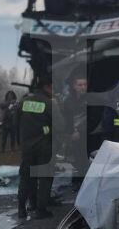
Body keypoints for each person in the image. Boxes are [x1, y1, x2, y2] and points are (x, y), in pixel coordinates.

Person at [17, 75, 63, 219]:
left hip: (27, 146)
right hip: (44, 146)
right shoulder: (49, 103)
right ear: (47, 87)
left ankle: (21, 209)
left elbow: (15, 122)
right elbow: (60, 125)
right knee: (45, 177)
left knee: (26, 176)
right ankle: (41, 209)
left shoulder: (23, 102)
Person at [62, 72, 89, 191]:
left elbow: (92, 118)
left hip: (87, 135)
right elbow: (65, 119)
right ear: (74, 86)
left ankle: (84, 183)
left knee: (85, 159)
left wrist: (80, 131)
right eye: (80, 85)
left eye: (84, 84)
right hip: (73, 136)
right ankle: (77, 181)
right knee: (76, 159)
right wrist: (68, 134)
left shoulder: (90, 99)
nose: (82, 87)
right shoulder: (68, 101)